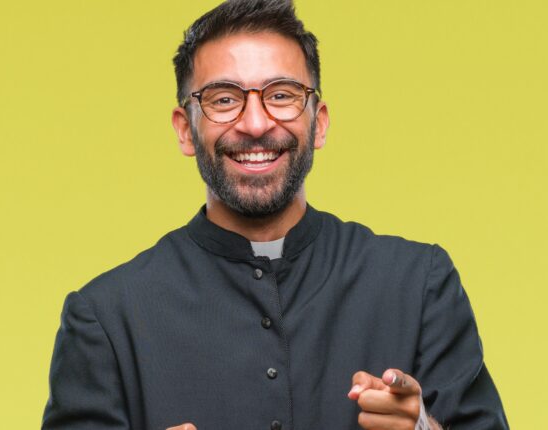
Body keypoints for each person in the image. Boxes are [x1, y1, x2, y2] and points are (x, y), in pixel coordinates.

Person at [41, 0, 509, 429]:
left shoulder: (419, 284)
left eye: (282, 94)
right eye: (223, 99)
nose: (257, 122)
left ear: (318, 122)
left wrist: (426, 426)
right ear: (186, 131)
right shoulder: (105, 317)